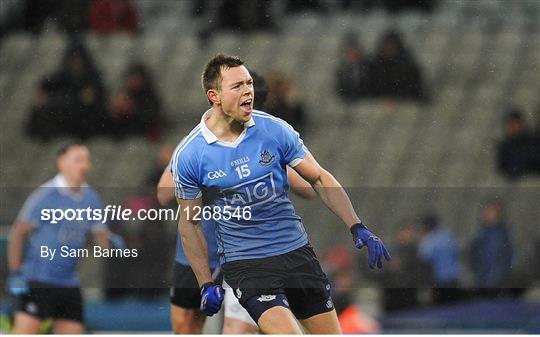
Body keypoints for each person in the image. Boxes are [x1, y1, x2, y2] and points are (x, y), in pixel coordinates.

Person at [171, 53, 390, 334]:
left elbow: (320, 178)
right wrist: (205, 283)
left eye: (248, 83)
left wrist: (356, 225)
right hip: (247, 265)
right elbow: (189, 223)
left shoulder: (273, 130)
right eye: (237, 86)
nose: (248, 90)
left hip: (296, 254)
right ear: (214, 95)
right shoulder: (191, 154)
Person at [157, 71, 316, 334]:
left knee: (239, 328)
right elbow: (163, 194)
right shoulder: (197, 148)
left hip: (248, 253)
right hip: (202, 251)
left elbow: (310, 189)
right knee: (186, 327)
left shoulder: (266, 139)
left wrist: (280, 167)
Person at [6, 143, 125, 333]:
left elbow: (100, 238)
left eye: (87, 160)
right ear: (61, 163)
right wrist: (15, 272)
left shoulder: (91, 199)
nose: (85, 165)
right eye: (78, 160)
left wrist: (112, 242)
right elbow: (18, 233)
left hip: (68, 282)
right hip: (38, 280)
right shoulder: (45, 195)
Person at [469, 199, 513, 297]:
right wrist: (478, 274)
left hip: (498, 283)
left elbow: (509, 257)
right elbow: (472, 255)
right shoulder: (480, 235)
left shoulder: (504, 235)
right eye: (487, 211)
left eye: (491, 211)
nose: (488, 214)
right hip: (482, 282)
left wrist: (501, 276)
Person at [417, 213, 461, 304]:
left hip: (438, 281)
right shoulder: (449, 235)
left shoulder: (429, 240)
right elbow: (456, 253)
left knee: (440, 310)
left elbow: (424, 259)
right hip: (453, 278)